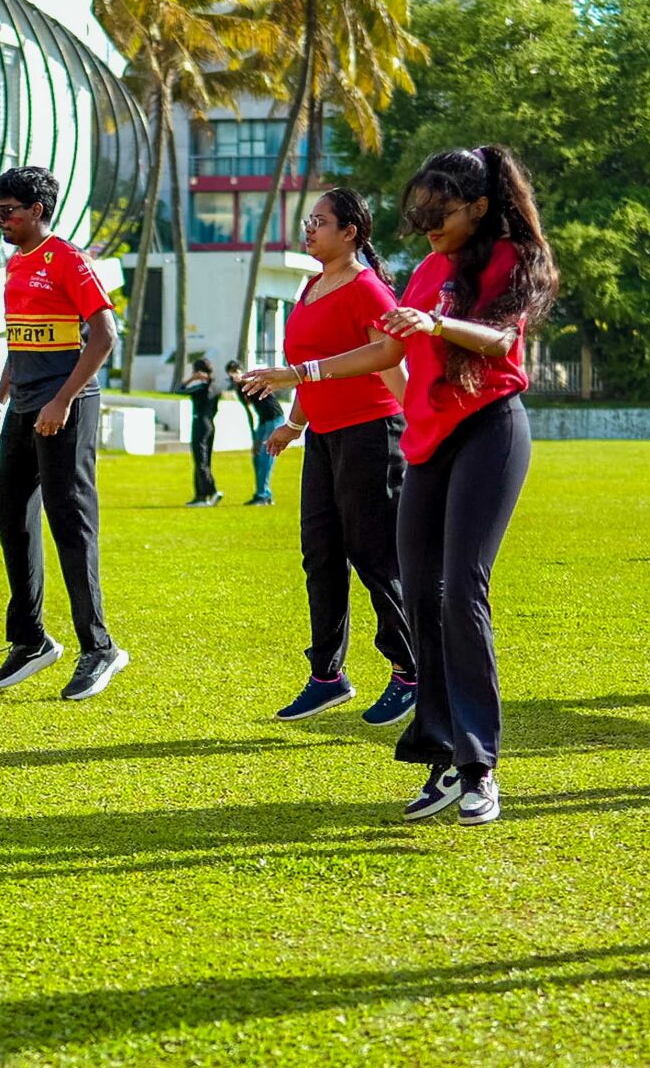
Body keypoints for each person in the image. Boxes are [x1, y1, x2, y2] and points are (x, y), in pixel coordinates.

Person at [242, 149, 556, 827]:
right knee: (420, 594)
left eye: (442, 211)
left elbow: (501, 341)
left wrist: (437, 324)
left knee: (462, 588)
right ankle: (441, 754)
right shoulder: (429, 269)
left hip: (489, 430)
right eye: (422, 212)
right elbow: (387, 349)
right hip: (429, 442)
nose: (428, 224)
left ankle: (479, 766)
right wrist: (300, 375)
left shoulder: (506, 258)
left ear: (479, 206)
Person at [251, 187, 417, 728]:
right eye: (308, 221)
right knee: (320, 555)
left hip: (372, 434)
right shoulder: (311, 286)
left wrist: (421, 428)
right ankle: (327, 676)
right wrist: (294, 424)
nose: (309, 229)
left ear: (350, 232)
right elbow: (313, 365)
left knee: (374, 556)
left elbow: (391, 362)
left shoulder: (368, 290)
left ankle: (410, 671)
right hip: (324, 437)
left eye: (320, 221)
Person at [0, 166, 130, 700]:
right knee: (10, 515)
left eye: (8, 212)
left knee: (71, 522)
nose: (1, 220)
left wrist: (62, 399)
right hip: (23, 407)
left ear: (37, 211)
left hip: (67, 406)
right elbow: (19, 342)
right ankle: (30, 641)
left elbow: (105, 335)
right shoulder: (14, 263)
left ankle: (99, 647)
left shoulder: (67, 259)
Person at [227, 359, 284, 505]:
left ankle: (263, 495)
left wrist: (246, 380)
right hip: (263, 422)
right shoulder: (240, 390)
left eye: (236, 371)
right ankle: (262, 494)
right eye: (231, 373)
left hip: (274, 419)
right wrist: (254, 439)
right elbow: (249, 412)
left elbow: (267, 386)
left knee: (265, 456)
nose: (234, 375)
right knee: (257, 457)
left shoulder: (255, 382)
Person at [177, 357, 221, 507]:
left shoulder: (201, 388)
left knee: (200, 461)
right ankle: (200, 496)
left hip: (200, 424)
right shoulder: (216, 388)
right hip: (210, 424)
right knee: (204, 461)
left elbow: (179, 390)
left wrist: (191, 379)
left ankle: (212, 492)